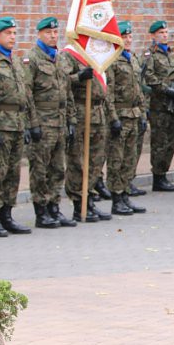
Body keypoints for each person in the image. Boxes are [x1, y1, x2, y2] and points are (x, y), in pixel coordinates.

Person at [0, 17, 39, 237]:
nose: (12, 37)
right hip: (0, 125)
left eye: (14, 33)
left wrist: (31, 125)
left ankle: (7, 215)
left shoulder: (15, 61)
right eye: (8, 33)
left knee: (13, 173)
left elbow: (26, 95)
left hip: (17, 124)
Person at [22, 16, 76, 228]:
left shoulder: (60, 58)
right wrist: (32, 124)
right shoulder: (32, 59)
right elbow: (27, 94)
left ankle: (55, 207)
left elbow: (67, 90)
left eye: (55, 32)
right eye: (48, 33)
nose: (53, 36)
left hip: (60, 122)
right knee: (40, 169)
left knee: (57, 168)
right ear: (39, 34)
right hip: (42, 123)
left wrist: (71, 119)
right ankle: (41, 211)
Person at [61, 40, 115, 223]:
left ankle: (90, 198)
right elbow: (62, 80)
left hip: (98, 112)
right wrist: (80, 77)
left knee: (96, 160)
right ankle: (79, 203)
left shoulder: (94, 55)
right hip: (81, 111)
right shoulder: (70, 54)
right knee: (78, 161)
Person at [104, 21, 147, 216]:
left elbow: (139, 90)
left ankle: (126, 194)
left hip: (134, 114)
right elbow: (108, 93)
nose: (128, 40)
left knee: (130, 158)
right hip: (120, 115)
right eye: (125, 36)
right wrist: (113, 118)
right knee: (117, 159)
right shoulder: (111, 61)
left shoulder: (133, 59)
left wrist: (143, 114)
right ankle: (116, 197)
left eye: (130, 36)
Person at [143, 20, 174, 192]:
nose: (164, 35)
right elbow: (148, 78)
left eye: (166, 32)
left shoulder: (171, 55)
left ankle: (164, 173)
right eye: (161, 33)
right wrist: (165, 89)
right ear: (153, 36)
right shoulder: (150, 55)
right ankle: (158, 176)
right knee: (159, 143)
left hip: (172, 105)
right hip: (158, 105)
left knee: (170, 143)